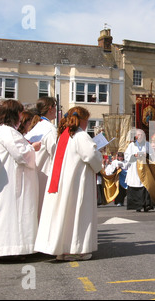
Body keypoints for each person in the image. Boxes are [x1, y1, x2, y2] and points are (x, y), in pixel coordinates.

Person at [34, 107, 103, 261]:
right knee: (76, 213)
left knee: (65, 214)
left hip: (62, 182)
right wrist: (100, 155)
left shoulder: (63, 136)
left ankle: (63, 248)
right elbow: (91, 156)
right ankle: (75, 249)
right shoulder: (80, 136)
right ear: (83, 120)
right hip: (76, 183)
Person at [0, 99, 40, 259]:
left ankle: (9, 249)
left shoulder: (0, 130)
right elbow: (22, 155)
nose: (22, 117)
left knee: (5, 215)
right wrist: (33, 148)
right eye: (20, 113)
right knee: (12, 215)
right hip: (11, 183)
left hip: (4, 181)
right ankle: (13, 249)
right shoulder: (7, 131)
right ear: (14, 114)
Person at [25, 97, 58, 219]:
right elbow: (56, 153)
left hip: (34, 172)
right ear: (50, 108)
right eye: (55, 107)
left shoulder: (36, 127)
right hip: (45, 173)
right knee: (44, 211)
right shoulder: (49, 129)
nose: (56, 110)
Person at [124, 129, 152, 212]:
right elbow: (127, 156)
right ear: (136, 136)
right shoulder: (131, 145)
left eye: (142, 135)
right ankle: (137, 206)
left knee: (145, 186)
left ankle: (146, 205)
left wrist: (146, 155)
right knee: (135, 185)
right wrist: (134, 155)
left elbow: (152, 155)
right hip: (134, 168)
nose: (141, 136)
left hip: (144, 168)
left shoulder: (147, 144)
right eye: (139, 135)